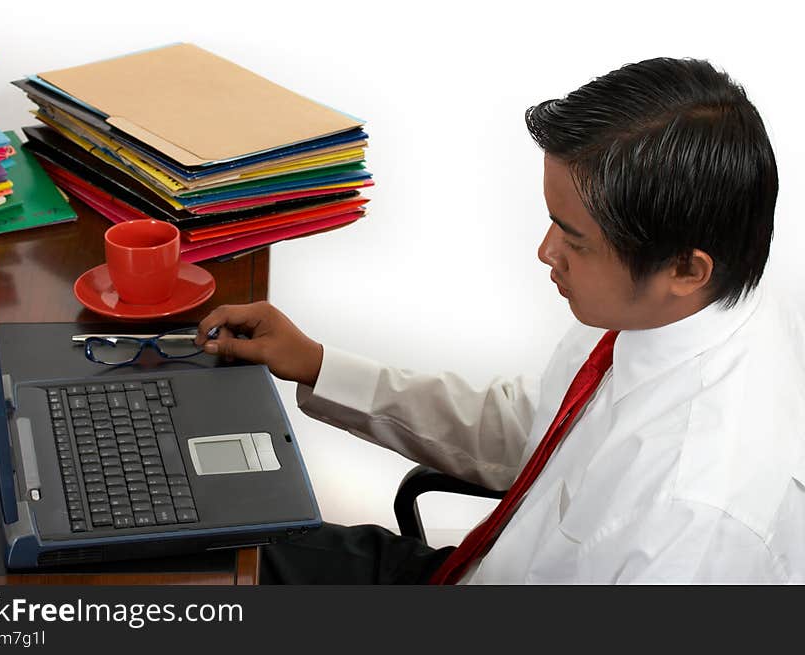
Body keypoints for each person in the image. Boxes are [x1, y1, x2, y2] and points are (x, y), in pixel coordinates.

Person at [195, 57, 805, 583]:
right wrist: (322, 367)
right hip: (474, 571)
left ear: (684, 269)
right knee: (204, 540)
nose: (546, 252)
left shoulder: (695, 520)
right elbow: (543, 429)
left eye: (574, 239)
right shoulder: (680, 312)